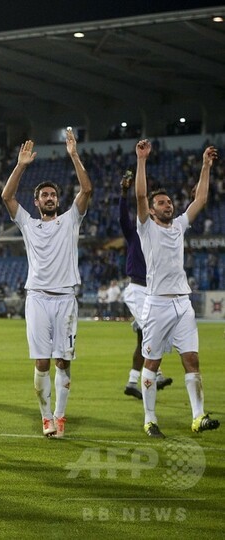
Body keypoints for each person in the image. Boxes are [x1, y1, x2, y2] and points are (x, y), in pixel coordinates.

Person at [0, 130, 93, 439]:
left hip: (66, 298)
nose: (50, 198)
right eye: (45, 195)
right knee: (42, 361)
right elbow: (7, 197)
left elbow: (87, 189)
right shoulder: (28, 223)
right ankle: (46, 419)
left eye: (53, 195)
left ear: (58, 200)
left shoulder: (71, 219)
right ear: (37, 201)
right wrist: (20, 165)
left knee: (63, 360)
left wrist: (74, 155)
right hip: (38, 298)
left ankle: (60, 416)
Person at [134, 140, 219, 438]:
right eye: (161, 203)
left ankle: (198, 417)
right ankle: (149, 419)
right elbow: (140, 194)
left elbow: (201, 199)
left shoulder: (180, 225)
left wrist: (206, 166)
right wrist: (141, 160)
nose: (167, 205)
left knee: (192, 359)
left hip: (183, 303)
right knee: (152, 362)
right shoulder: (146, 227)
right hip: (156, 303)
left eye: (169, 202)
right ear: (151, 210)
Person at [119, 171, 172, 399]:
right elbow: (123, 218)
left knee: (143, 338)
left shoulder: (159, 235)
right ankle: (156, 374)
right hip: (137, 289)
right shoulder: (135, 234)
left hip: (151, 292)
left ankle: (132, 382)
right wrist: (124, 193)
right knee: (152, 331)